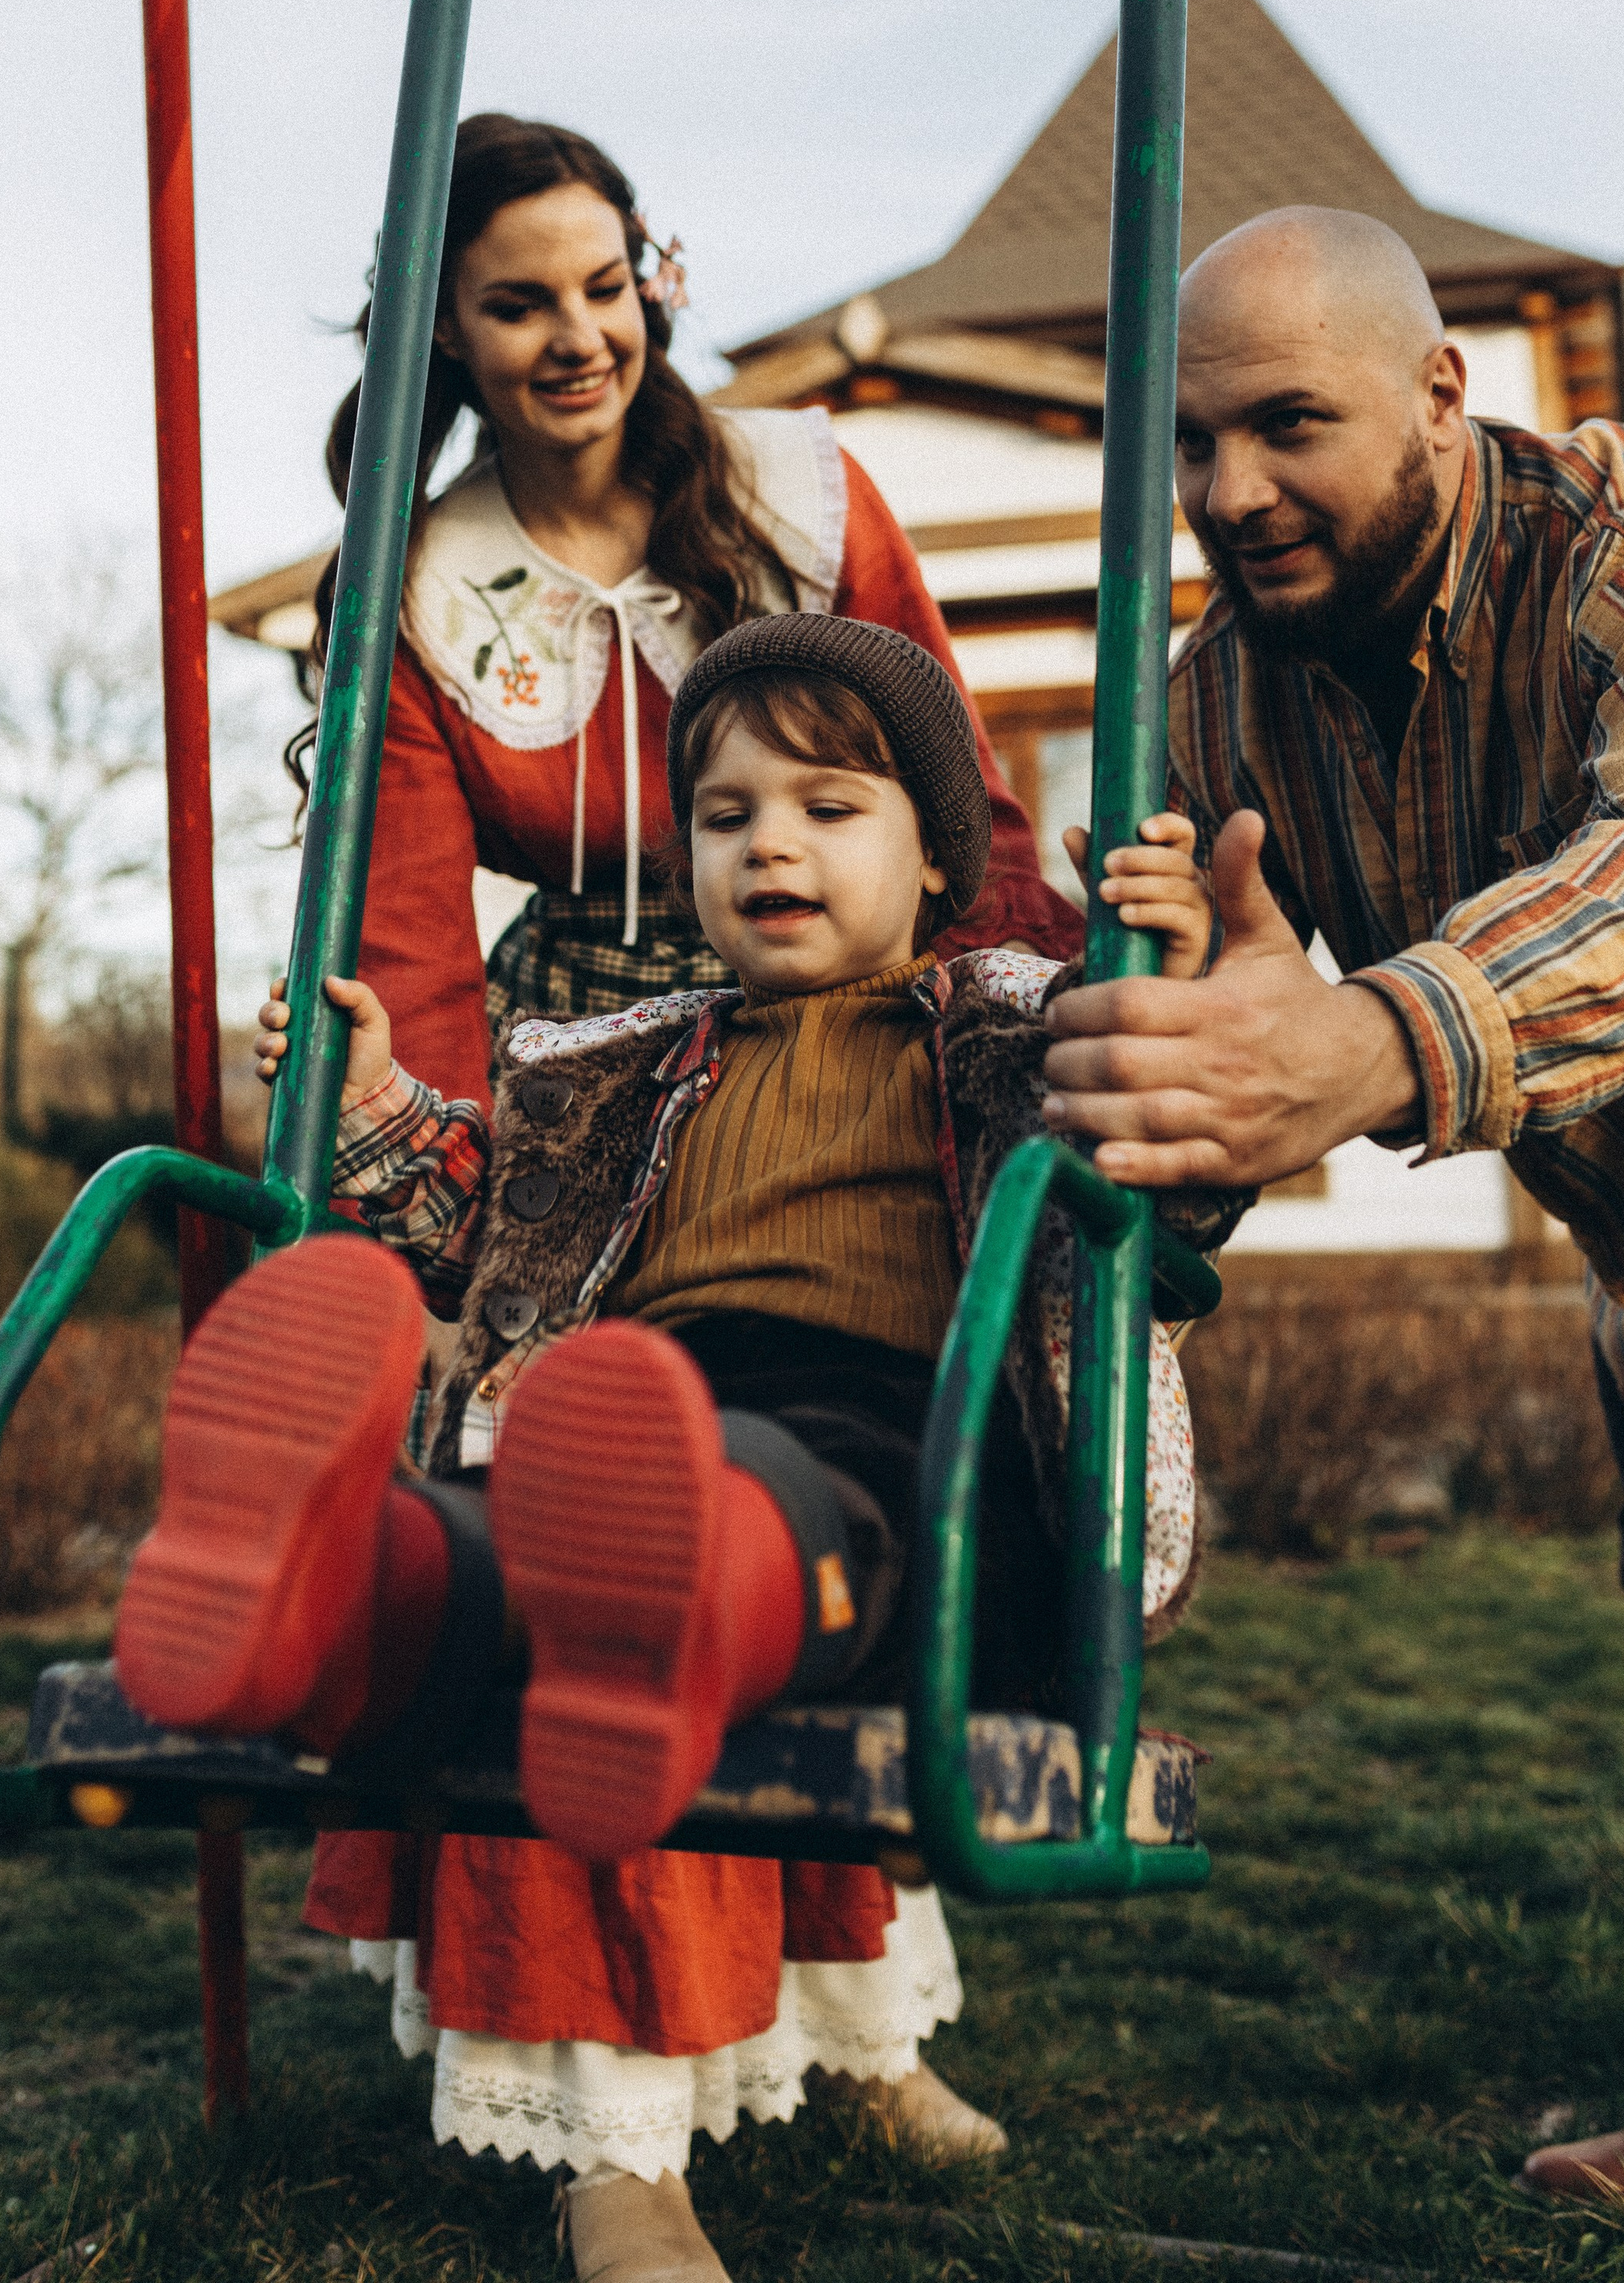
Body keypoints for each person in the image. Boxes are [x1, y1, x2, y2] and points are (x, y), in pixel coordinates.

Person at [121, 617, 1216, 2283]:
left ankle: (631, 1589)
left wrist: (1177, 996)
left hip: (891, 1447)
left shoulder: (1013, 1026)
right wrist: (361, 1105)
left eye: (827, 806)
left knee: (723, 1500)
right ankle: (329, 1591)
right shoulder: (618, 1064)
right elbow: (479, 1230)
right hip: (621, 1418)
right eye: (723, 814)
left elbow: (1174, 1171)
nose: (767, 840)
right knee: (513, 1517)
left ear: (934, 861)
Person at [283, 116, 1087, 2224]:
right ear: (444, 332)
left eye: (599, 280)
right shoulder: (431, 584)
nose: (574, 335)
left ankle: (847, 2025)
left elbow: (940, 792)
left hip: (882, 1018)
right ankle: (337, 1580)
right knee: (568, 1454)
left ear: (651, 270)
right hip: (606, 1051)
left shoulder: (805, 495)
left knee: (759, 1511)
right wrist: (412, 1139)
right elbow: (405, 934)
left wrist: (1026, 1033)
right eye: (514, 302)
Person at [1040, 203, 1624, 2283]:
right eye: (1192, 448)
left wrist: (1377, 1036)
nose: (1230, 495)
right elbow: (1227, 1062)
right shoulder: (1226, 701)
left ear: (1440, 395)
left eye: (1286, 427)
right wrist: (1185, 1087)